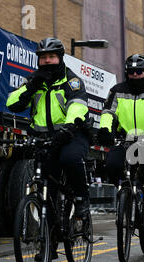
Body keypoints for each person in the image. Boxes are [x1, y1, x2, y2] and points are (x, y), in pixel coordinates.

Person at [7, 37, 91, 231]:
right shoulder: (33, 80)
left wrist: (68, 128)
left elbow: (77, 107)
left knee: (70, 159)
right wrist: (31, 87)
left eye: (51, 57)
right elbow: (12, 104)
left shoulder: (72, 81)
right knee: (48, 191)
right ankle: (50, 244)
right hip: (45, 139)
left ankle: (81, 198)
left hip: (71, 134)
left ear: (60, 58)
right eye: (43, 57)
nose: (46, 61)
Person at [97, 54, 144, 245]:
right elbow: (108, 112)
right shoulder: (117, 91)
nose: (136, 75)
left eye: (140, 71)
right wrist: (105, 128)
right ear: (127, 73)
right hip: (125, 138)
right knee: (112, 165)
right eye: (132, 72)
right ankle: (126, 192)